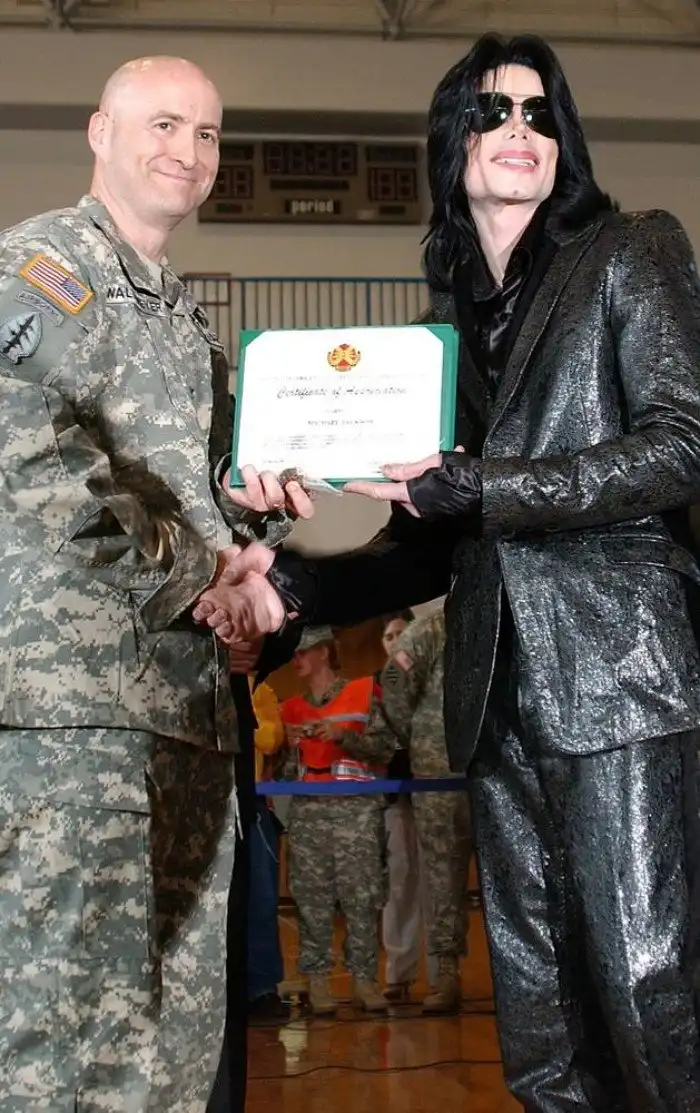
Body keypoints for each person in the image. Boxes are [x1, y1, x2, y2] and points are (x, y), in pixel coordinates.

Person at [196, 31, 700, 1113]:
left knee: (648, 991)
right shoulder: (442, 333)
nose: (520, 128)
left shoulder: (631, 249)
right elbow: (430, 544)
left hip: (621, 683)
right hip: (496, 703)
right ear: (451, 144)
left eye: (539, 112)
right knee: (540, 1022)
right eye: (493, 110)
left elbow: (679, 444)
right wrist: (293, 588)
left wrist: (486, 486)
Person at [0, 55, 313, 1113]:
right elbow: (33, 458)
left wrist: (250, 516)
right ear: (101, 132)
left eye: (208, 133)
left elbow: (189, 496)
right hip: (73, 724)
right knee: (62, 1040)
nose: (188, 151)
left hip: (185, 719)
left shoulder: (182, 317)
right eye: (164, 124)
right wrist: (202, 575)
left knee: (174, 1046)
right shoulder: (44, 267)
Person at [279, 626, 392, 1016]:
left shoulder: (363, 693)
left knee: (362, 897)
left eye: (302, 652)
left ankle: (365, 979)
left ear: (324, 653)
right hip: (308, 814)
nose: (295, 661)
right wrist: (287, 747)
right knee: (311, 899)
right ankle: (318, 981)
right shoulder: (290, 708)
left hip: (356, 812)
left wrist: (344, 735)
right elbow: (280, 773)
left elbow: (385, 748)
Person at [374, 609, 472, 1013]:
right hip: (440, 770)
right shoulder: (432, 629)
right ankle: (446, 972)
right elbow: (394, 683)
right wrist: (419, 736)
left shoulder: (512, 615)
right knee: (441, 875)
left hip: (501, 769)